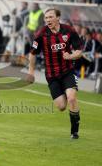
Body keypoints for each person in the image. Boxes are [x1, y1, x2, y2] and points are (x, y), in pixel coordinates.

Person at [28, 8, 83, 139]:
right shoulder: (42, 34)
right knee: (62, 106)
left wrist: (70, 56)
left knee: (72, 98)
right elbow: (32, 53)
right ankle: (66, 91)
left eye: (50, 17)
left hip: (67, 71)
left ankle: (74, 132)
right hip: (52, 75)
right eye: (46, 18)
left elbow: (79, 51)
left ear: (58, 18)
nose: (48, 20)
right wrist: (31, 72)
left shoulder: (69, 30)